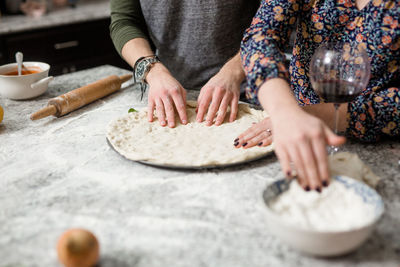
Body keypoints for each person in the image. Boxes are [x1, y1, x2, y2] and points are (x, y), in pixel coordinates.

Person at [235, 0, 400, 192]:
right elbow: (261, 35)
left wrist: (317, 114)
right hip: (291, 132)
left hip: (386, 147)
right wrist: (285, 112)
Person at [109, 0, 260, 128]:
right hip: (167, 95)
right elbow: (125, 21)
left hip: (251, 92)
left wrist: (233, 72)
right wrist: (153, 71)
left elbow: (275, 20)